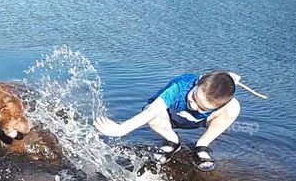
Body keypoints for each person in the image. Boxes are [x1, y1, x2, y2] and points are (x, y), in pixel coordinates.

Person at [94, 71, 241, 171]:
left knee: (234, 107)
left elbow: (221, 86)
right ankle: (172, 141)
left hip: (195, 122)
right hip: (167, 118)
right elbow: (151, 112)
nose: (193, 106)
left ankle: (201, 146)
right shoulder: (180, 86)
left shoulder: (219, 99)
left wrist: (228, 79)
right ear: (197, 82)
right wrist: (121, 129)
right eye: (193, 98)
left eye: (202, 108)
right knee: (152, 111)